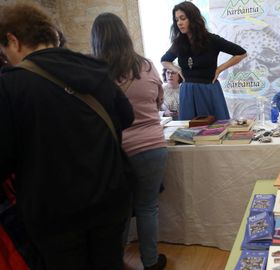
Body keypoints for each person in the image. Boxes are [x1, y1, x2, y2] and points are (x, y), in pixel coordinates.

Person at [0, 3, 135, 270]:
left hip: (55, 213)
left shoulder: (10, 85)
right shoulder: (94, 68)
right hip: (110, 198)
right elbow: (126, 116)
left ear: (13, 40)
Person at [91, 12, 168, 270]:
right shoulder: (146, 66)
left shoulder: (95, 73)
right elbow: (159, 102)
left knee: (118, 211)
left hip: (116, 151)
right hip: (153, 145)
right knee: (148, 207)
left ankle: (115, 262)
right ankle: (151, 262)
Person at [161, 1, 247, 120]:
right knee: (188, 133)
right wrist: (178, 70)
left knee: (213, 132)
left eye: (183, 18)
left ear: (193, 18)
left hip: (208, 91)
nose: (179, 23)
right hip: (187, 93)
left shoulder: (212, 40)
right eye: (177, 20)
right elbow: (165, 60)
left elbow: (241, 53)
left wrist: (220, 69)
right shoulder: (179, 43)